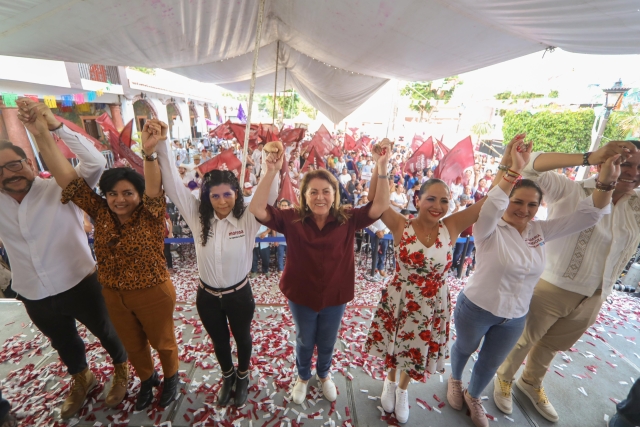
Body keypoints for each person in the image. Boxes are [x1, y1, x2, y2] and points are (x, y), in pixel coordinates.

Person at [447, 136, 616, 427]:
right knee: (464, 347)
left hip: (514, 317)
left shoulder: (540, 231)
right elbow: (490, 205)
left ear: (540, 207)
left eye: (532, 205)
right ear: (506, 201)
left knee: (490, 363)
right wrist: (514, 169)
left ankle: (474, 396)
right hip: (476, 308)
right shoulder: (489, 228)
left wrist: (606, 182)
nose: (524, 210)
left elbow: (587, 216)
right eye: (517, 202)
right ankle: (455, 378)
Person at [494, 139, 640, 423]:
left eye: (639, 167)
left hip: (597, 293)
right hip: (552, 285)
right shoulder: (571, 190)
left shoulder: (636, 206)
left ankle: (531, 382)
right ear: (605, 162)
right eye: (626, 164)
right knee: (524, 339)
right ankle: (504, 377)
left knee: (552, 344)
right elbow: (532, 166)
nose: (633, 172)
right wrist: (588, 156)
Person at [6, 98, 127, 418]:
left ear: (29, 162)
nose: (10, 173)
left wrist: (53, 127)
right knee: (64, 341)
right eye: (1, 169)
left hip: (80, 281)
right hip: (33, 292)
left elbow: (95, 164)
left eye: (15, 164)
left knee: (108, 331)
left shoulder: (59, 187)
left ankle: (122, 370)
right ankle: (82, 378)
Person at [249, 140, 392, 406]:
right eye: (313, 192)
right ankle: (303, 377)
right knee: (304, 339)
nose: (320, 197)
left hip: (335, 296)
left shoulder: (348, 218)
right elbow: (257, 209)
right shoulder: (291, 218)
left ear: (335, 195)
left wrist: (381, 165)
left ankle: (324, 374)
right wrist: (271, 171)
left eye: (326, 191)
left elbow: (380, 204)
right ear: (303, 196)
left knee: (328, 339)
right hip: (301, 294)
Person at [54, 120, 181, 410]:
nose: (119, 200)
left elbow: (152, 186)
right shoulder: (101, 212)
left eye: (127, 193)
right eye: (112, 193)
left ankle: (172, 379)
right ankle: (148, 380)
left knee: (163, 341)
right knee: (132, 345)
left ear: (138, 196)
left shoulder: (150, 214)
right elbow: (71, 184)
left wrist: (149, 153)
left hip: (152, 292)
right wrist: (46, 131)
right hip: (112, 294)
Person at [154, 132, 279, 408]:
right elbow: (174, 186)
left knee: (243, 338)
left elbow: (267, 196)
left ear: (236, 195)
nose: (222, 201)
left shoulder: (247, 219)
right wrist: (162, 143)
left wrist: (272, 170)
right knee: (220, 342)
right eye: (215, 196)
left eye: (228, 195)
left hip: (239, 295)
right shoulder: (198, 217)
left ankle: (243, 376)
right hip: (207, 297)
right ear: (206, 197)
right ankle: (228, 376)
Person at [363, 150, 487, 424]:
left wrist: (511, 170)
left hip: (432, 303)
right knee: (395, 345)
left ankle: (404, 389)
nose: (438, 206)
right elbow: (376, 201)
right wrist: (381, 165)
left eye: (444, 200)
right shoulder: (400, 225)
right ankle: (390, 380)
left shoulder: (451, 226)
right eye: (431, 198)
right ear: (417, 200)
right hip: (400, 296)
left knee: (417, 348)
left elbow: (485, 205)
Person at [274, 199, 292, 273]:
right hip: (280, 240)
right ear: (279, 206)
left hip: (290, 241)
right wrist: (275, 239)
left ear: (289, 207)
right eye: (282, 205)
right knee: (280, 256)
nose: (284, 207)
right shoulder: (277, 216)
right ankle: (281, 270)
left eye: (285, 206)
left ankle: (289, 270)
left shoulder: (292, 216)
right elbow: (273, 228)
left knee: (290, 257)